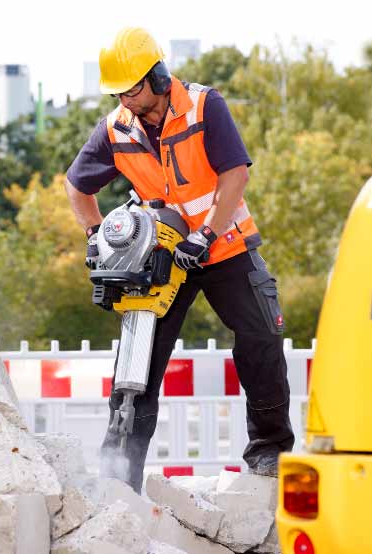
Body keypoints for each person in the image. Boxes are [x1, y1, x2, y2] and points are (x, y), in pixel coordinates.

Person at [65, 27, 294, 494]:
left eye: (133, 89)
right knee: (141, 354)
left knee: (261, 336)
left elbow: (233, 175)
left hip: (226, 244)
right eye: (119, 93)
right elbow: (77, 186)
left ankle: (269, 450)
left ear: (159, 75)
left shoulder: (205, 105)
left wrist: (206, 234)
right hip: (164, 255)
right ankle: (120, 474)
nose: (126, 100)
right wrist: (94, 236)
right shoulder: (115, 128)